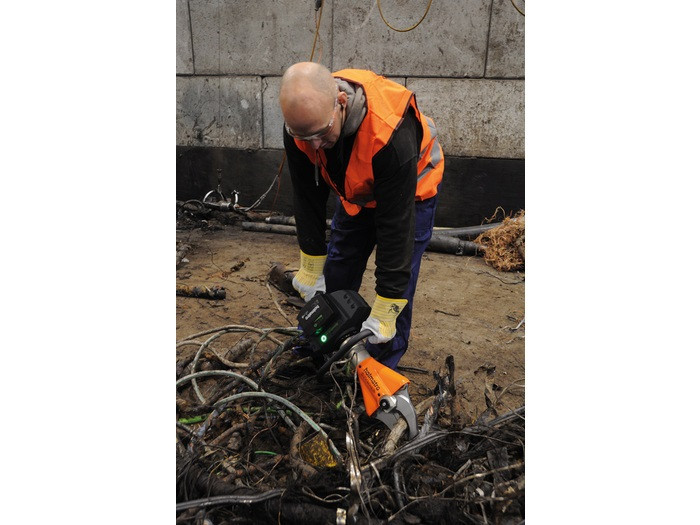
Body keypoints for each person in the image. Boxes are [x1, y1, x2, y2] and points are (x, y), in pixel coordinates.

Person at [279, 62, 444, 370]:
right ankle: (322, 346)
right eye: (304, 137)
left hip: (411, 193)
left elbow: (396, 229)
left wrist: (387, 303)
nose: (314, 145)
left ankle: (379, 368)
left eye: (321, 133)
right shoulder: (302, 124)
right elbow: (307, 196)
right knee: (340, 264)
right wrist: (311, 265)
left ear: (341, 103)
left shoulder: (390, 132)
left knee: (397, 291)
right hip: (358, 192)